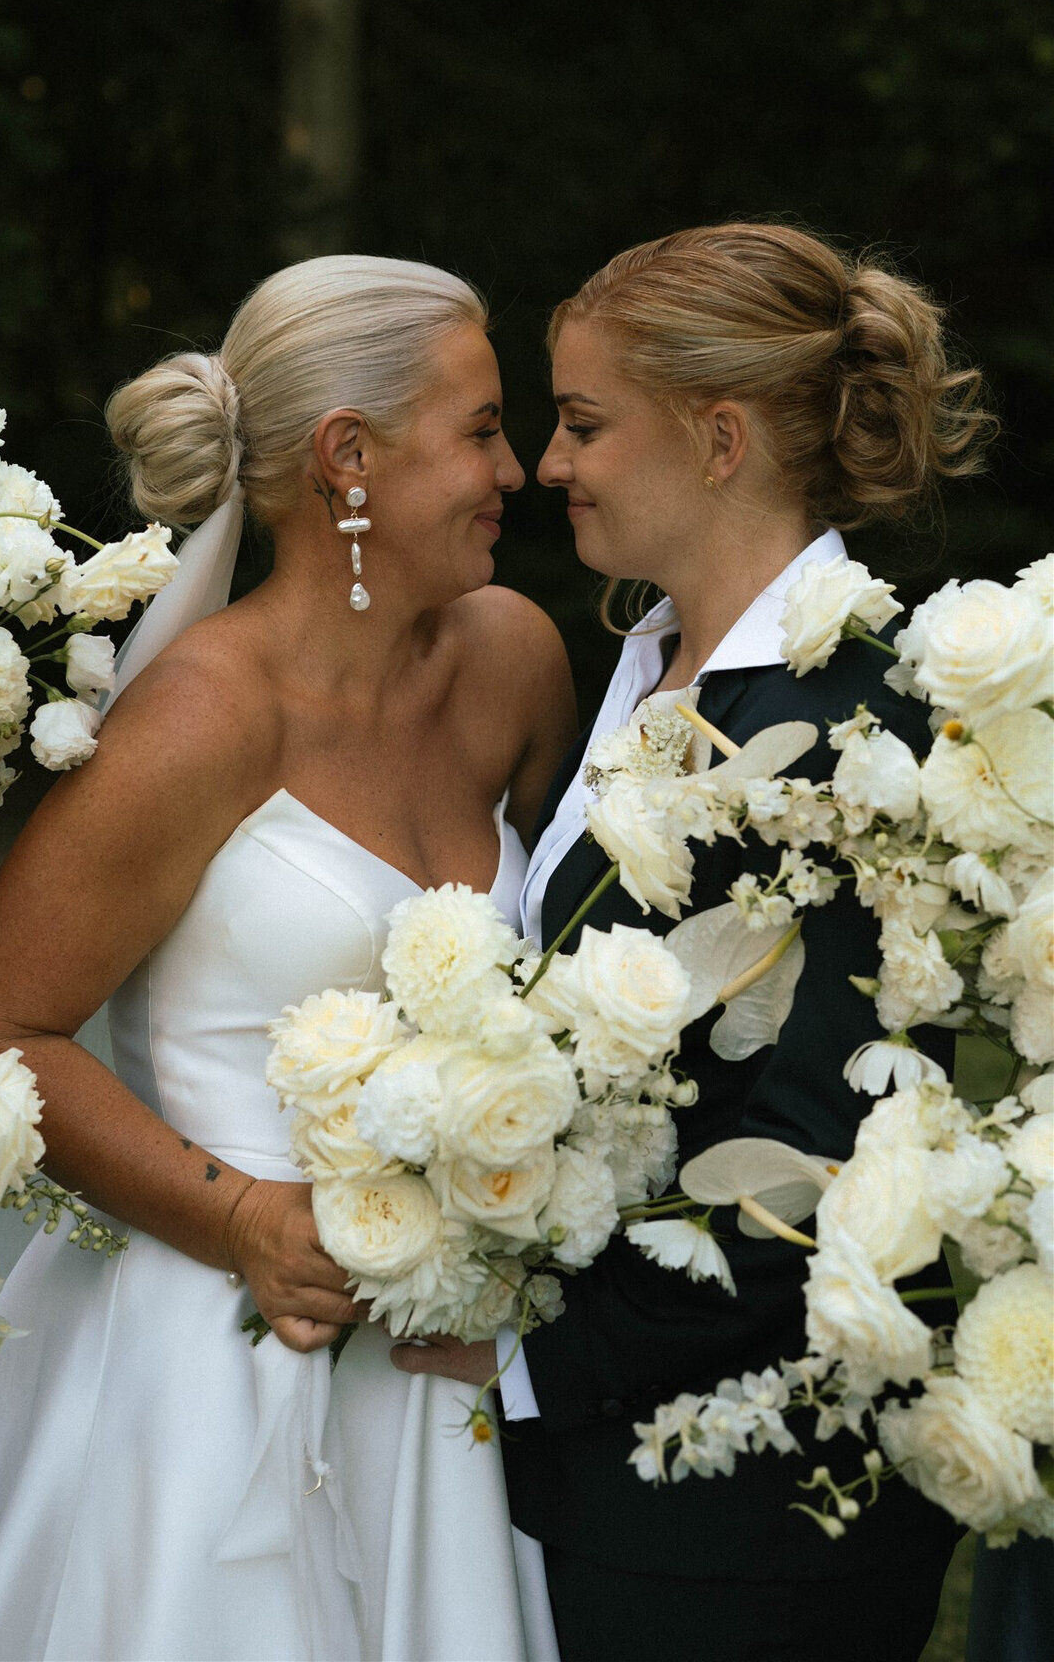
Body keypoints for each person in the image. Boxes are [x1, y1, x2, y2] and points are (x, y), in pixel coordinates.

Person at [0, 255, 573, 1662]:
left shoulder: (514, 661)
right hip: (214, 1349)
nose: (519, 470)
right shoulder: (202, 718)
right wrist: (248, 1224)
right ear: (348, 456)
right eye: (482, 429)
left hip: (446, 1361)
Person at [392, 223, 995, 1661]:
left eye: (586, 423)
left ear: (720, 439)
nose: (550, 463)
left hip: (750, 1522)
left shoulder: (872, 723)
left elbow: (818, 1151)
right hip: (600, 1486)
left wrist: (526, 1358)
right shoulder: (643, 658)